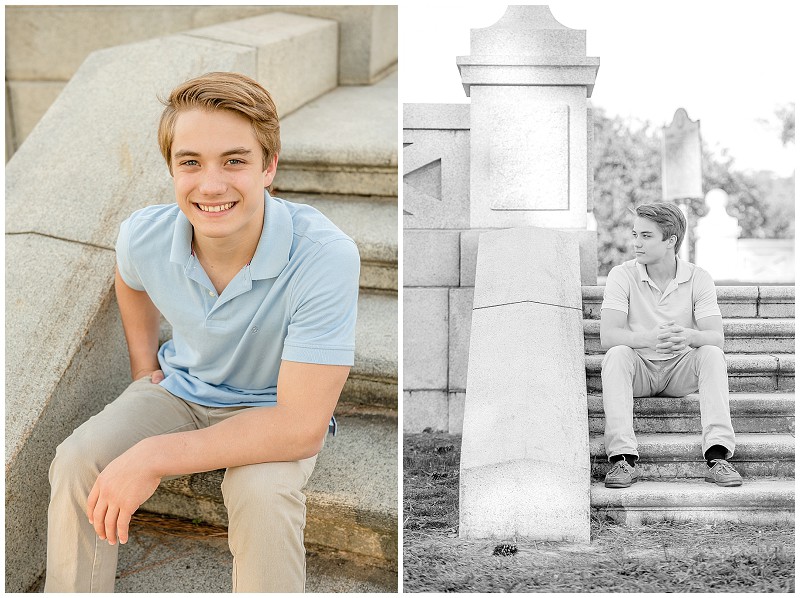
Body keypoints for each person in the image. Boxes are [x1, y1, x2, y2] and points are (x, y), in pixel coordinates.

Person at [44, 72, 360, 592]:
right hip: (183, 391)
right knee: (79, 460)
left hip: (273, 408)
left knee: (261, 493)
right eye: (190, 162)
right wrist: (143, 369)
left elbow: (301, 425)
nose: (211, 185)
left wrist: (153, 456)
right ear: (171, 169)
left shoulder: (324, 256)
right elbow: (130, 281)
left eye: (234, 161)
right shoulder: (143, 234)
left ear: (269, 167)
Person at [599, 202, 741, 489]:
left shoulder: (698, 277)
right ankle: (622, 460)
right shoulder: (621, 275)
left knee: (712, 354)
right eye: (635, 234)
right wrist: (646, 339)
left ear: (671, 241)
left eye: (646, 236)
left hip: (679, 371)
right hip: (639, 369)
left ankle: (717, 456)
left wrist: (690, 336)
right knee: (616, 355)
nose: (636, 242)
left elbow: (715, 337)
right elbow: (609, 335)